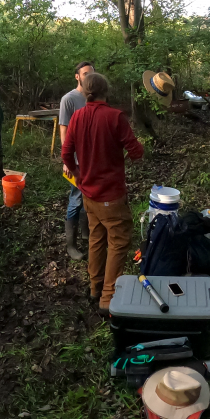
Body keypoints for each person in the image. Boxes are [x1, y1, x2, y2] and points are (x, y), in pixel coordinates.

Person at [62, 72, 144, 314]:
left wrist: (78, 175)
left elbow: (66, 153)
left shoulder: (77, 116)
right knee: (119, 242)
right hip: (111, 196)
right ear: (105, 91)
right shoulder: (115, 116)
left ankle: (95, 287)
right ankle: (108, 298)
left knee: (97, 239)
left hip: (88, 194)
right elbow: (137, 152)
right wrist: (123, 156)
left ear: (86, 91)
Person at [60, 61, 94, 261]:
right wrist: (67, 160)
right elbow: (64, 130)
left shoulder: (92, 97)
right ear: (77, 76)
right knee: (76, 198)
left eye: (92, 73)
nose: (89, 77)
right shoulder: (69, 99)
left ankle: (85, 232)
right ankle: (71, 245)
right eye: (85, 74)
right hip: (75, 160)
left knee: (88, 197)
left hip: (91, 158)